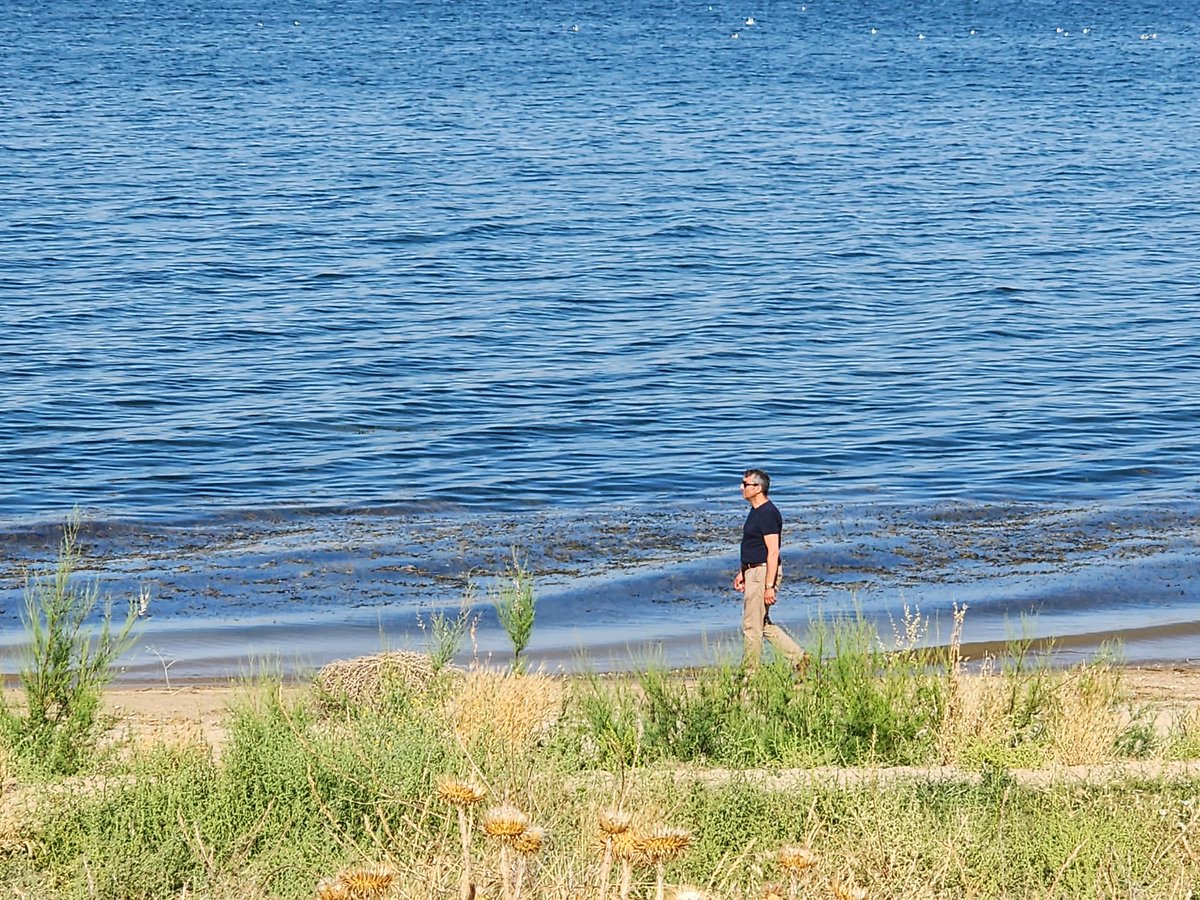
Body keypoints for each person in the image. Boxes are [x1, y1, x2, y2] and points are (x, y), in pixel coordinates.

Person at [732, 468, 808, 671]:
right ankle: (799, 659)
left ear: (758, 488)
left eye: (745, 484)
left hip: (762, 573)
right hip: (753, 572)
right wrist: (743, 572)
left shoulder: (767, 513)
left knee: (751, 625)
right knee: (762, 623)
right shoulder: (756, 511)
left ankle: (749, 673)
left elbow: (773, 551)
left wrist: (769, 586)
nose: (741, 488)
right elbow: (754, 546)